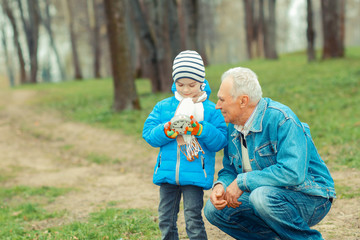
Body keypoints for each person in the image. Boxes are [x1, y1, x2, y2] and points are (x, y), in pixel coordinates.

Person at [204, 67, 336, 240]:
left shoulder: (282, 119)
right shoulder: (233, 126)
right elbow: (230, 170)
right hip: (267, 197)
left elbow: (293, 172)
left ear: (243, 101)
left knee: (261, 197)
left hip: (311, 197)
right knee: (213, 210)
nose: (217, 105)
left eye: (222, 99)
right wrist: (221, 185)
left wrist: (243, 181)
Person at [143, 50, 228, 240]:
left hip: (196, 173)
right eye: (180, 84)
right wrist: (167, 131)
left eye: (192, 85)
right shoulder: (163, 107)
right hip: (167, 174)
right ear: (175, 82)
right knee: (165, 218)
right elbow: (148, 134)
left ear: (201, 82)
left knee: (193, 219)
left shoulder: (211, 110)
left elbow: (221, 140)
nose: (186, 90)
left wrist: (200, 129)